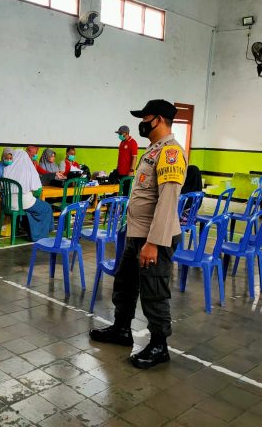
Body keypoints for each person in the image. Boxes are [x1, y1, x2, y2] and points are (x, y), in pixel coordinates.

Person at [90, 100, 186, 370]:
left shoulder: (170, 152)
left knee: (154, 290)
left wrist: (153, 242)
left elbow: (167, 200)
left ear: (159, 120)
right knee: (125, 283)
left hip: (154, 238)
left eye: (145, 118)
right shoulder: (153, 150)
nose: (141, 123)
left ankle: (159, 346)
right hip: (137, 234)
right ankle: (122, 329)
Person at [3, 150, 53, 241]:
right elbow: (36, 189)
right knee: (46, 207)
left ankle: (31, 230)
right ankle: (39, 235)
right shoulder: (29, 170)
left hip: (8, 203)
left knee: (31, 210)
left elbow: (3, 187)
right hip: (25, 203)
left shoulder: (7, 169)